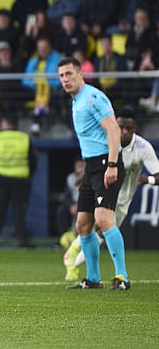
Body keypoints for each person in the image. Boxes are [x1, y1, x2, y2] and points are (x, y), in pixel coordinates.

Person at [57, 57, 130, 291]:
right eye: (61, 76)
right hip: (91, 166)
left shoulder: (92, 97)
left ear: (80, 74)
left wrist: (111, 164)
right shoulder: (77, 100)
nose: (65, 79)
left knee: (103, 218)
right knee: (82, 224)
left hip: (106, 164)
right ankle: (93, 278)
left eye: (69, 74)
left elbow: (113, 129)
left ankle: (122, 277)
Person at [64, 107, 159, 281]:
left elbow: (158, 175)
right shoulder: (108, 141)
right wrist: (85, 178)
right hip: (105, 190)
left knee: (100, 233)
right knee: (96, 226)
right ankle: (114, 273)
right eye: (120, 126)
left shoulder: (143, 147)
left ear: (135, 128)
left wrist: (150, 180)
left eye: (128, 128)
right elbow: (95, 163)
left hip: (123, 200)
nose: (123, 132)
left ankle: (73, 257)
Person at [0, 113, 37, 248]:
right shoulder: (25, 139)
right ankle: (21, 239)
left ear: (4, 124)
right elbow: (33, 161)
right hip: (20, 179)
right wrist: (28, 175)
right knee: (19, 211)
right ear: (15, 124)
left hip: (0, 179)